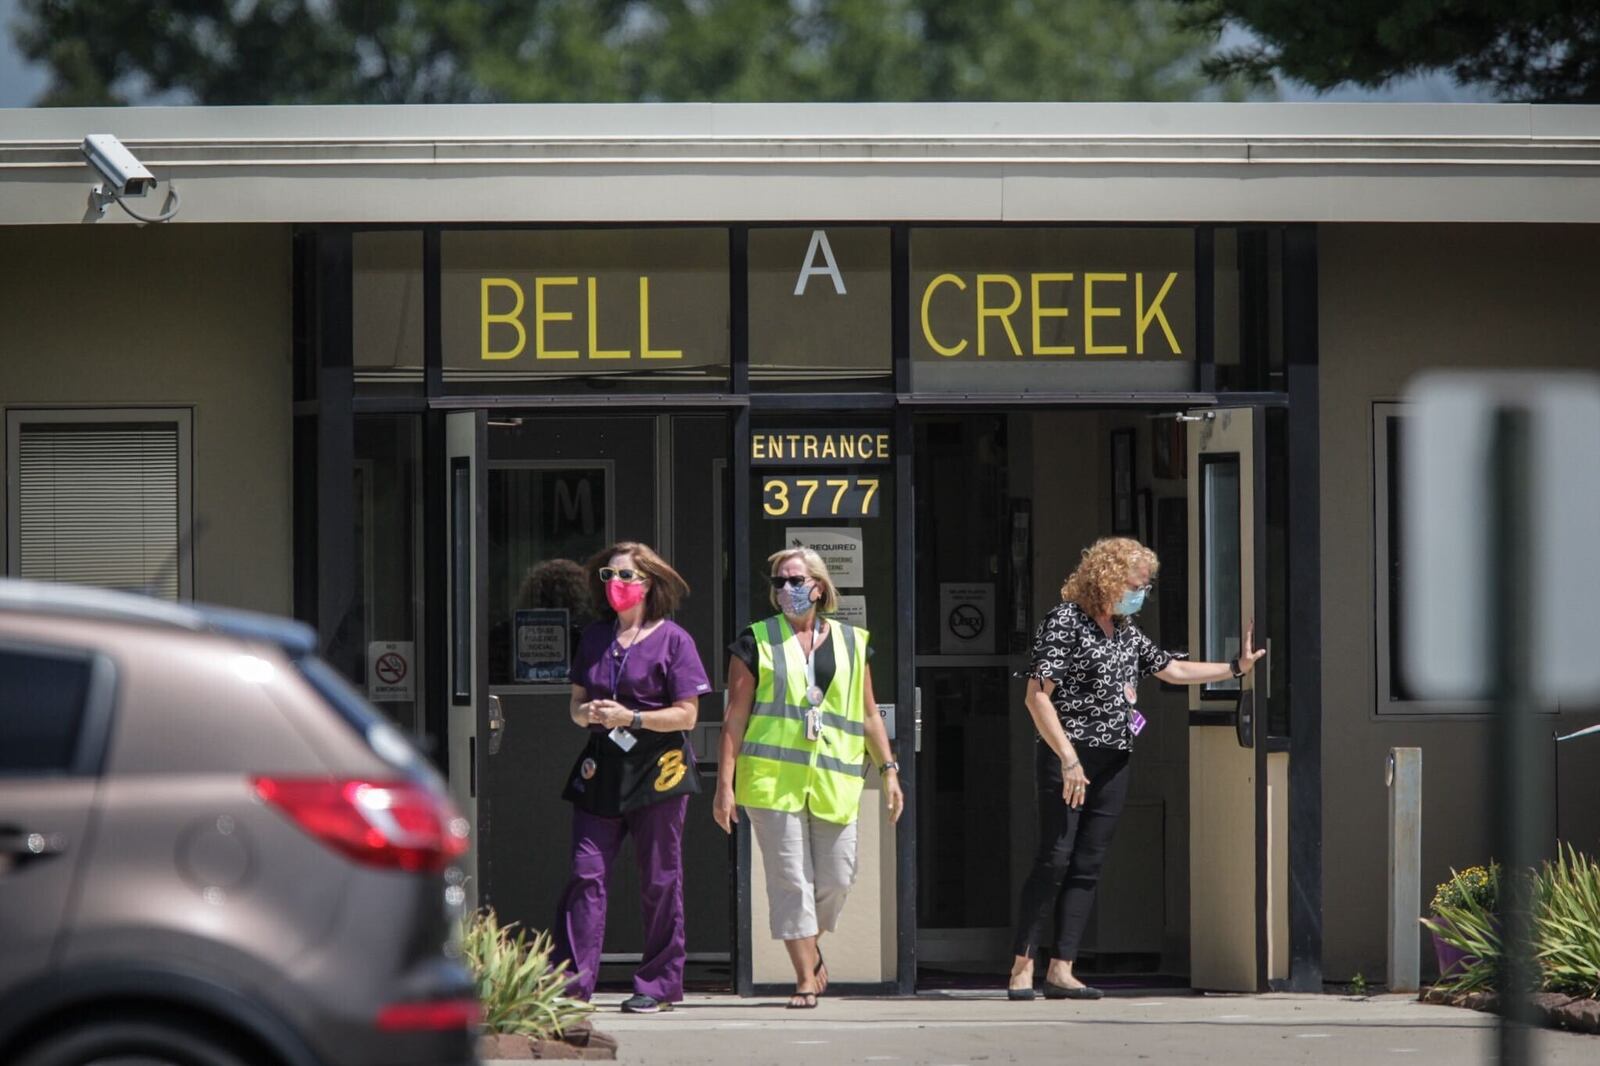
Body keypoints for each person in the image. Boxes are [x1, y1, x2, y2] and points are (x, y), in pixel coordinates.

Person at [1008, 537, 1264, 1001]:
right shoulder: (1066, 621)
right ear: (1107, 577)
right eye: (1136, 583)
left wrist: (1235, 667)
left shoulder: (1124, 629)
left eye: (1145, 584)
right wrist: (1068, 758)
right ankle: (1022, 966)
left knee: (1088, 864)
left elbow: (1170, 670)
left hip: (1114, 760)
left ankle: (1062, 969)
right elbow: (1036, 695)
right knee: (1055, 859)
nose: (1141, 592)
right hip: (1069, 756)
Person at [713, 547, 905, 1009]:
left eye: (795, 582)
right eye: (779, 582)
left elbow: (867, 714)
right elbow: (734, 718)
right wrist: (724, 785)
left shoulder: (853, 641)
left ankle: (809, 946)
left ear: (819, 587)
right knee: (790, 882)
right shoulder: (754, 640)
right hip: (771, 782)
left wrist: (890, 770)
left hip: (834, 781)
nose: (786, 590)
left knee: (837, 878)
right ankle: (803, 977)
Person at [552, 541, 713, 1015]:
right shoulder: (595, 637)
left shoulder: (674, 640)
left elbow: (686, 716)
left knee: (659, 880)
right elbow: (575, 706)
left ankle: (659, 985)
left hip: (658, 774)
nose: (615, 584)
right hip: (601, 772)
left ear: (648, 583)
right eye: (607, 576)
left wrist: (633, 719)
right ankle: (571, 987)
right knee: (586, 874)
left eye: (624, 576)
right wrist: (591, 714)